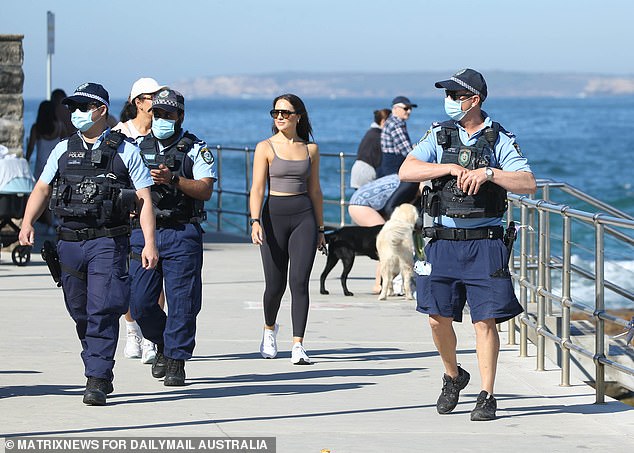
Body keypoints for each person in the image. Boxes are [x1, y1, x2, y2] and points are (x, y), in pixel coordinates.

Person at [399, 68, 537, 421]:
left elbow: (527, 182)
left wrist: (489, 173)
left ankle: (487, 394)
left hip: (484, 243)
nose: (449, 101)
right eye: (447, 95)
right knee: (436, 319)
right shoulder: (439, 134)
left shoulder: (499, 138)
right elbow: (407, 170)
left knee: (484, 322)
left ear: (473, 99)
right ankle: (453, 375)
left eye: (455, 96)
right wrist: (445, 169)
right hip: (443, 241)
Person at [18, 82, 158, 406]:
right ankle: (97, 363)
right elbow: (41, 188)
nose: (76, 113)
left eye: (84, 107)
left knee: (103, 308)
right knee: (79, 310)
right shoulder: (63, 149)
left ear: (101, 111)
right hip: (68, 242)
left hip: (107, 241)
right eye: (73, 108)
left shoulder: (126, 151)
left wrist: (150, 242)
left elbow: (144, 199)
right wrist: (26, 223)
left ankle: (96, 377)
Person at [128, 88, 216, 387]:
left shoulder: (195, 148)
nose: (162, 118)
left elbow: (205, 189)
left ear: (180, 116)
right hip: (144, 233)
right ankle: (163, 344)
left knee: (182, 301)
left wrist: (173, 180)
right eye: (158, 113)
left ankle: (176, 360)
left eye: (169, 114)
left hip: (182, 231)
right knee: (139, 303)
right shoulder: (136, 147)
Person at [250, 93, 326, 365]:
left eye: (284, 112)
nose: (279, 117)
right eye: (275, 113)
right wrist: (255, 220)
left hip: (303, 217)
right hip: (273, 217)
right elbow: (258, 188)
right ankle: (269, 330)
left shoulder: (311, 150)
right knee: (275, 285)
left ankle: (298, 344)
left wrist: (320, 228)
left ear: (298, 116)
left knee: (299, 282)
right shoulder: (265, 147)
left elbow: (316, 191)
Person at [113, 77, 167, 365]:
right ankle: (132, 330)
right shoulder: (119, 133)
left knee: (153, 275)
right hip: (127, 216)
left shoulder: (162, 132)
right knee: (131, 278)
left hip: (157, 214)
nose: (158, 101)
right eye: (152, 96)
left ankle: (151, 339)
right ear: (138, 102)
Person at [348, 174, 421, 293]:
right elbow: (389, 208)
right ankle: (379, 285)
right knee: (386, 244)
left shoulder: (407, 177)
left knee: (388, 244)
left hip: (361, 202)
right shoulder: (411, 182)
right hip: (361, 205)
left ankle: (386, 284)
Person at [25, 100, 65, 230]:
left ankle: (49, 224)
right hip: (57, 164)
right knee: (58, 194)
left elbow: (31, 147)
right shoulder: (59, 126)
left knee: (44, 196)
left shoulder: (37, 128)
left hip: (41, 166)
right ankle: (57, 221)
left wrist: (26, 161)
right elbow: (66, 146)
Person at [350, 108, 391, 189]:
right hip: (367, 172)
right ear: (383, 122)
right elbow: (380, 161)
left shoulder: (371, 132)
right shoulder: (379, 136)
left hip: (358, 170)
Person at [377, 96, 417, 178]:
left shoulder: (392, 121)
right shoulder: (396, 125)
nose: (409, 111)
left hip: (389, 167)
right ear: (395, 108)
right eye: (406, 108)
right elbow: (407, 151)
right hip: (394, 169)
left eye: (410, 108)